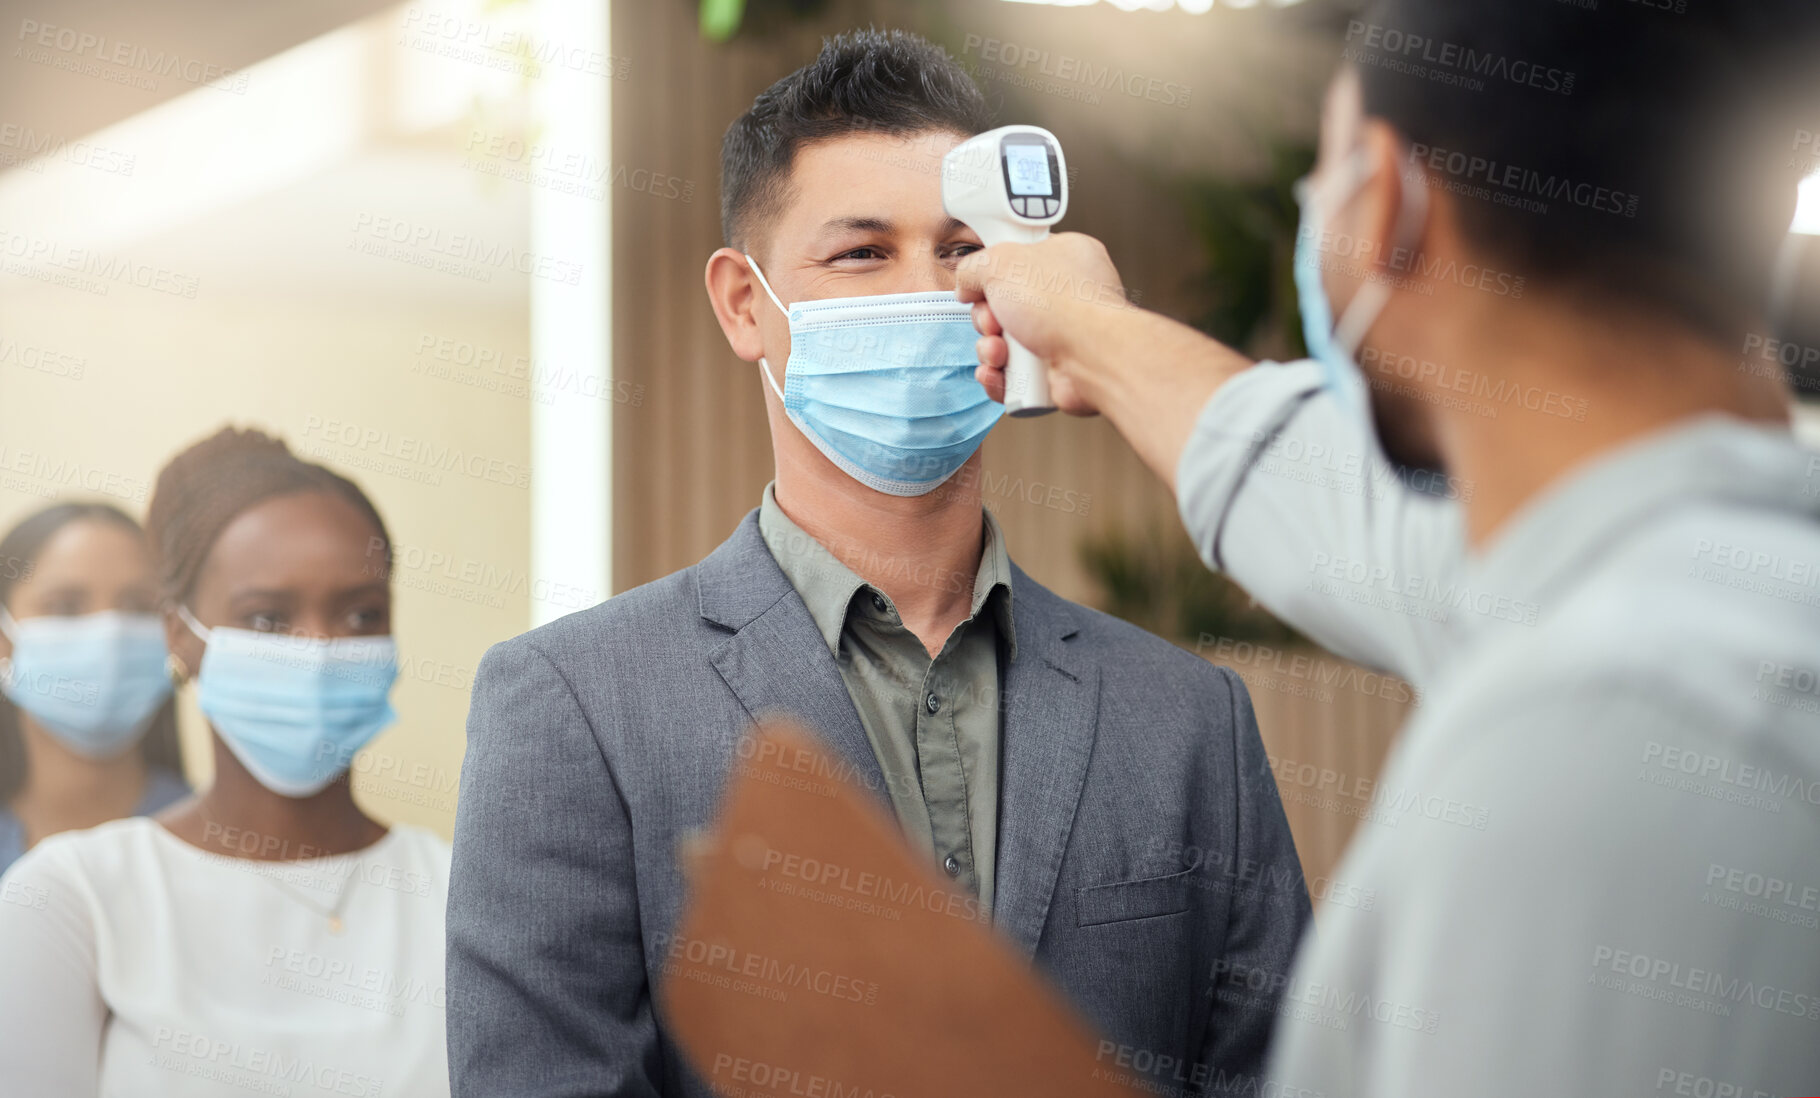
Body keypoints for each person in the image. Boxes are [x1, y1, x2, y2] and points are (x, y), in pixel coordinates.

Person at [954, 1, 1820, 1094]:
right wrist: (1087, 332)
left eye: (1320, 184)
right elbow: (1309, 487)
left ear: (1389, 206)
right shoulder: (1666, 580)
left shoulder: (1603, 725)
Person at [447, 29, 1309, 1098]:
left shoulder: (1187, 721)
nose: (927, 292)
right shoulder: (574, 706)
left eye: (959, 252)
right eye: (862, 253)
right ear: (744, 303)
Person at [0, 427, 452, 1097]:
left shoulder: (462, 890)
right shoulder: (74, 896)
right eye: (268, 619)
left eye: (361, 615)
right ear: (179, 634)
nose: (320, 650)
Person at [0, 502, 189, 873]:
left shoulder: (221, 844)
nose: (111, 634)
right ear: (3, 641)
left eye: (139, 606)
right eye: (65, 607)